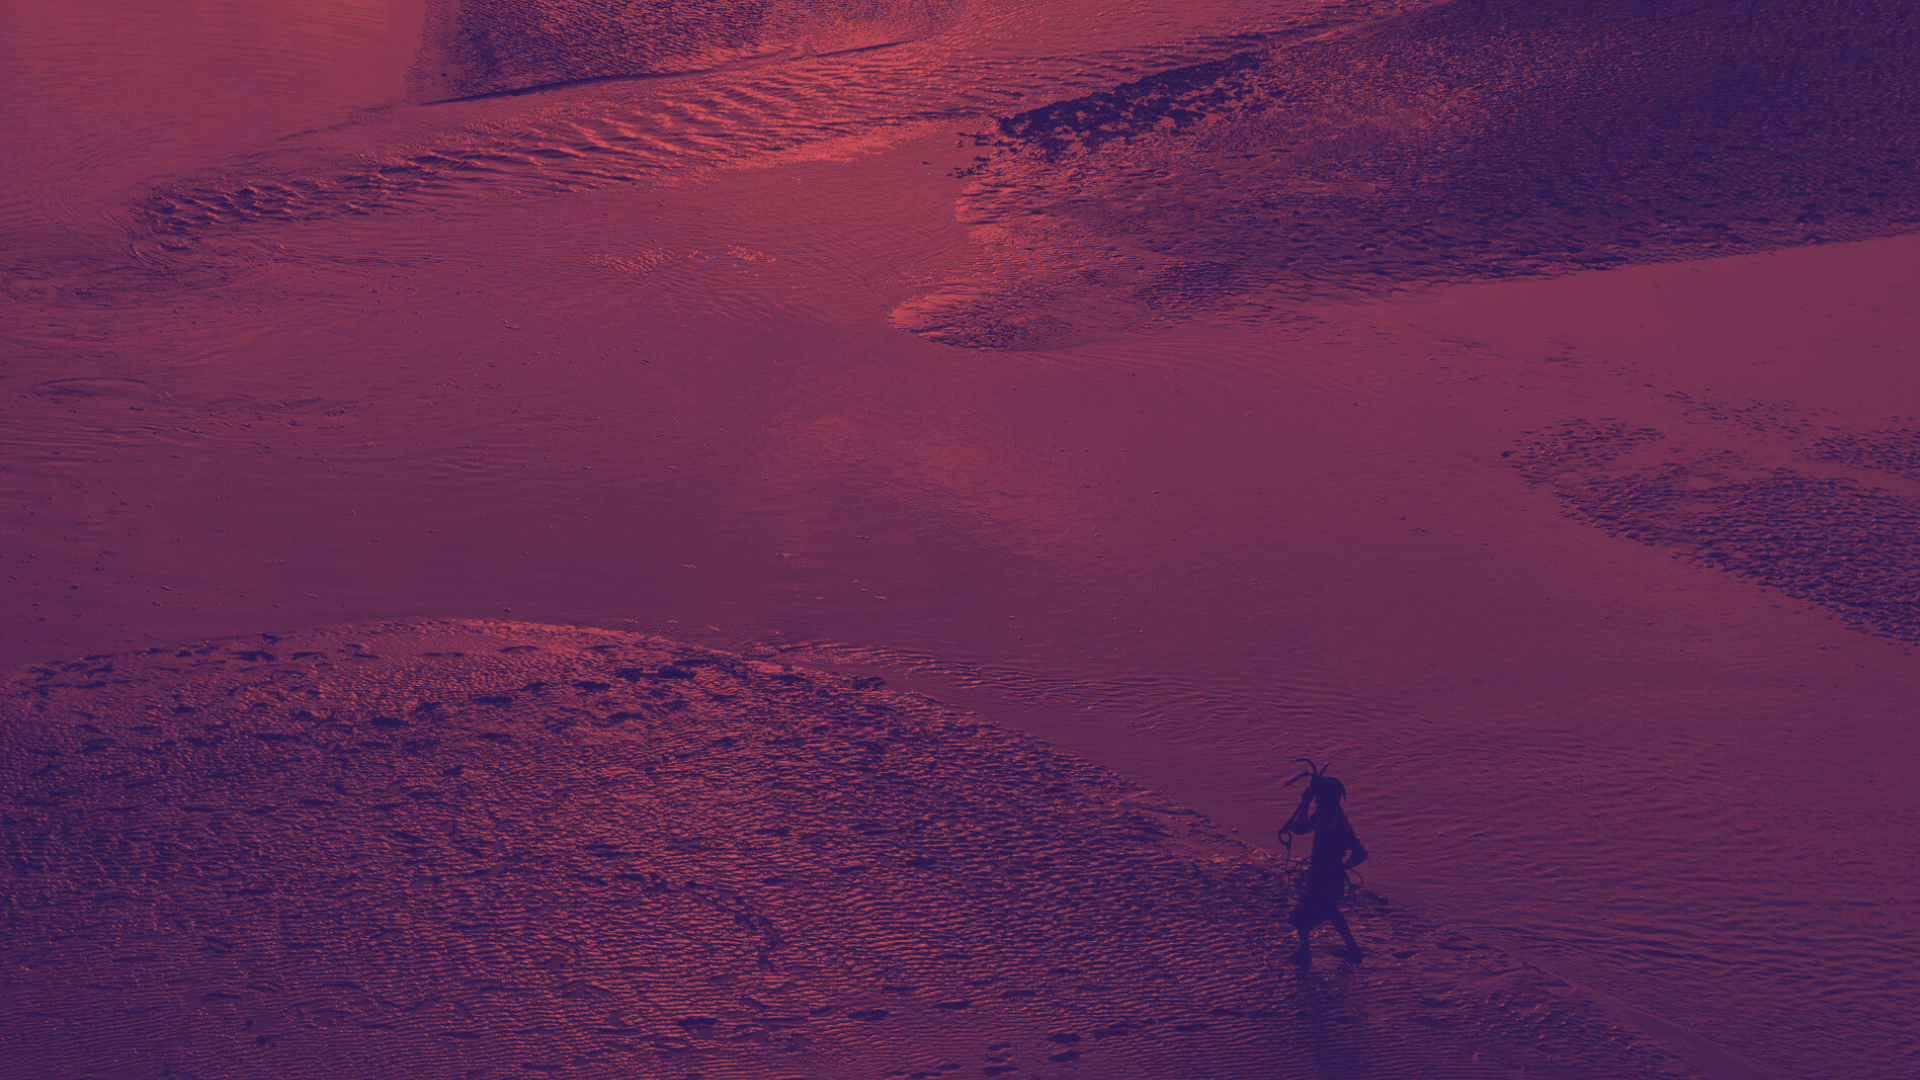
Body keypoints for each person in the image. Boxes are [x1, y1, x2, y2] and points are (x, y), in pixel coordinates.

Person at [1278, 761, 1367, 964]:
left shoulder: (1340, 824)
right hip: (1318, 873)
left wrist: (1342, 867)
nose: (1317, 802)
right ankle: (1350, 949)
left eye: (1319, 798)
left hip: (1329, 877)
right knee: (1329, 912)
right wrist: (1305, 803)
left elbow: (1361, 853)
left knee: (1308, 912)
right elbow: (1301, 828)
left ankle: (1307, 953)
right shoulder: (1322, 815)